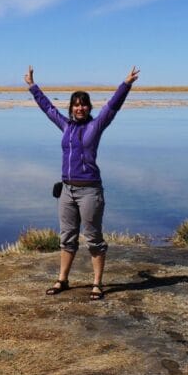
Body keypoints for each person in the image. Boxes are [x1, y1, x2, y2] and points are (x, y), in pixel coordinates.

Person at [24, 64, 140, 300]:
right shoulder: (65, 126)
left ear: (88, 107)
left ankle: (97, 284)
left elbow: (112, 106)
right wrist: (33, 87)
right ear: (71, 108)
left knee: (94, 238)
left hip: (89, 191)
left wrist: (125, 84)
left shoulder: (95, 126)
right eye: (76, 105)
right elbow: (48, 108)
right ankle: (62, 280)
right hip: (67, 190)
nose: (80, 108)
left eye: (84, 104)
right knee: (66, 237)